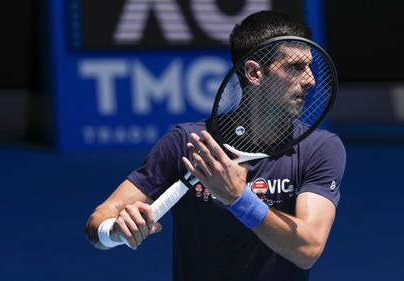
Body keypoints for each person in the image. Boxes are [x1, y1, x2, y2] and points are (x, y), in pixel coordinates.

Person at [85, 10, 346, 281]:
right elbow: (97, 225)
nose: (310, 80)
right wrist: (115, 230)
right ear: (254, 72)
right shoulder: (187, 143)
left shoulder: (319, 148)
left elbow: (308, 248)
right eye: (295, 67)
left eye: (309, 67)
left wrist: (238, 198)